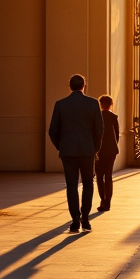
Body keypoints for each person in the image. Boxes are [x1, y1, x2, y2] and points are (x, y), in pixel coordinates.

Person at [48, 74, 103, 233]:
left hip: (68, 151)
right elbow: (99, 129)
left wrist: (61, 146)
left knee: (71, 186)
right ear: (84, 86)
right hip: (87, 151)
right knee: (88, 183)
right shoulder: (93, 103)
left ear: (70, 86)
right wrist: (95, 148)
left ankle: (75, 221)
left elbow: (52, 131)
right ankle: (85, 218)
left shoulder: (60, 104)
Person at [95, 95, 119, 213]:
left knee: (99, 176)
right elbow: (117, 135)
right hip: (111, 150)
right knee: (108, 176)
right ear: (111, 105)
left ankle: (103, 200)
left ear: (101, 104)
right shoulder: (113, 117)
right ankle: (107, 201)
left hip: (99, 150)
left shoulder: (97, 116)